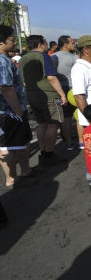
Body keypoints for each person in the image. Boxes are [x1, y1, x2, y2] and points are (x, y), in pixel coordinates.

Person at [0, 26, 43, 188]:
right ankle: (13, 178)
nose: (13, 41)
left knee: (17, 143)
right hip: (9, 111)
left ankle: (25, 171)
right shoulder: (2, 61)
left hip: (10, 110)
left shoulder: (5, 59)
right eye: (11, 39)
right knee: (9, 146)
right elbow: (5, 87)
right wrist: (17, 110)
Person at [18, 35, 69, 165]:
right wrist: (62, 95)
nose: (46, 45)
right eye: (45, 43)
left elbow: (23, 81)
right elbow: (51, 77)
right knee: (54, 123)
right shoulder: (44, 56)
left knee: (42, 124)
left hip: (32, 96)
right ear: (40, 44)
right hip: (49, 96)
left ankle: (43, 152)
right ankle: (49, 155)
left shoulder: (23, 58)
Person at [51, 35, 79, 150]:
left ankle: (69, 142)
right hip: (73, 89)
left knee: (66, 117)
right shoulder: (73, 57)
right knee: (79, 115)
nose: (74, 45)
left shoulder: (53, 57)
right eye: (72, 43)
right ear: (66, 45)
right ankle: (83, 140)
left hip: (59, 90)